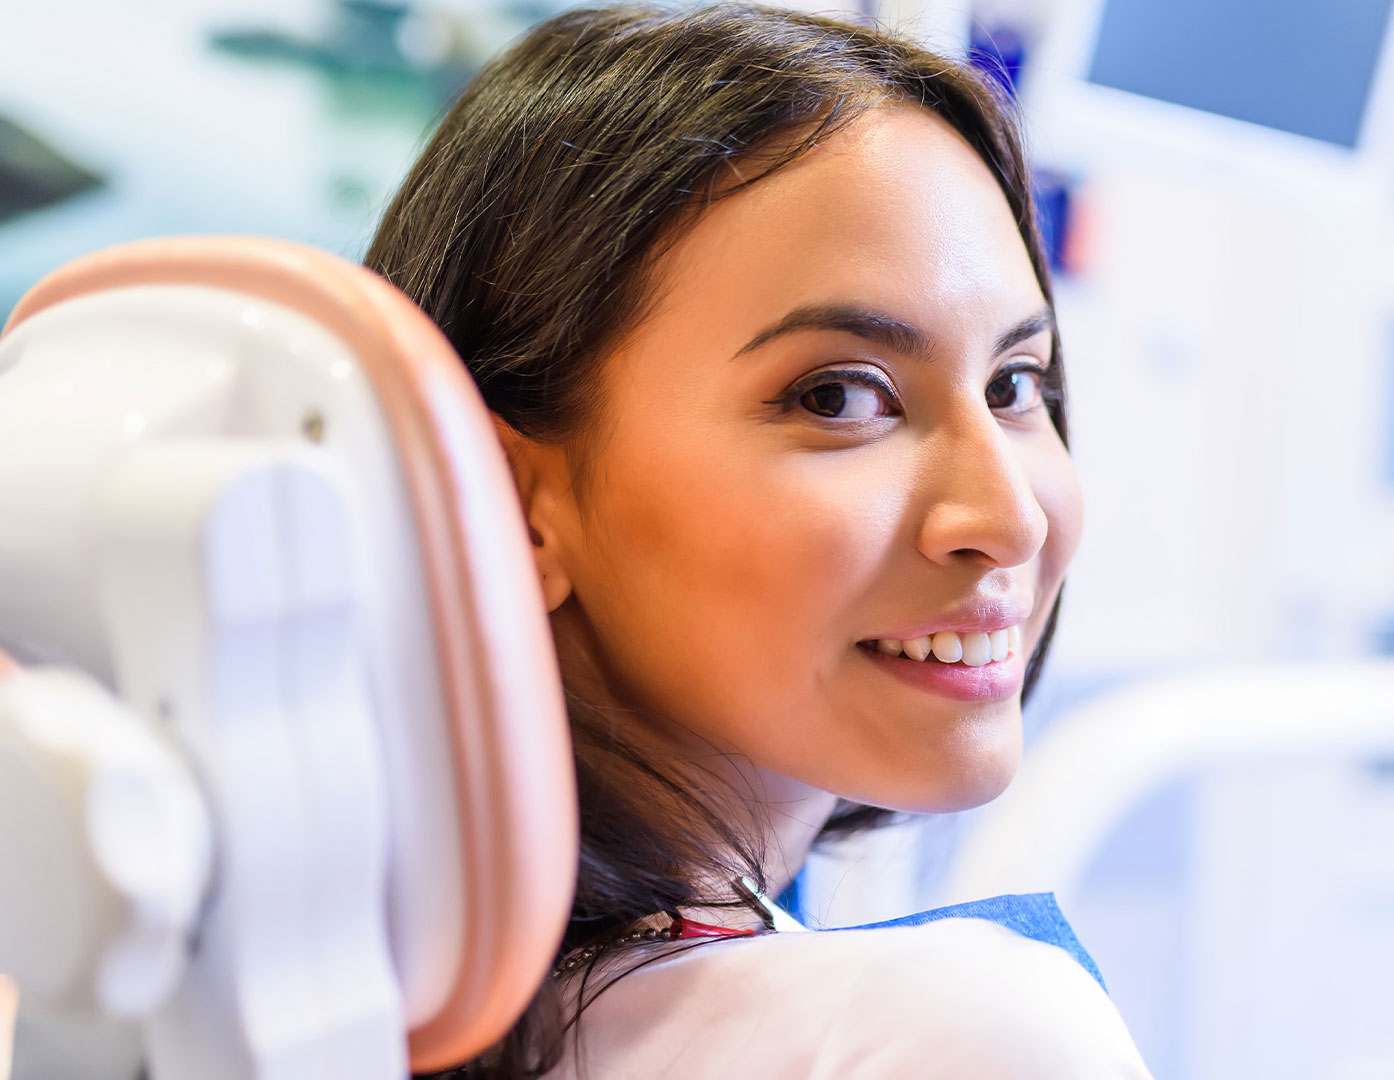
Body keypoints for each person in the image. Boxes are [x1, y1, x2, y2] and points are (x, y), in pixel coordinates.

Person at [366, 4, 1148, 1076]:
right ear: (502, 496)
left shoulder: (321, 996)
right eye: (839, 396)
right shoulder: (946, 1036)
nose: (1009, 515)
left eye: (1015, 385)